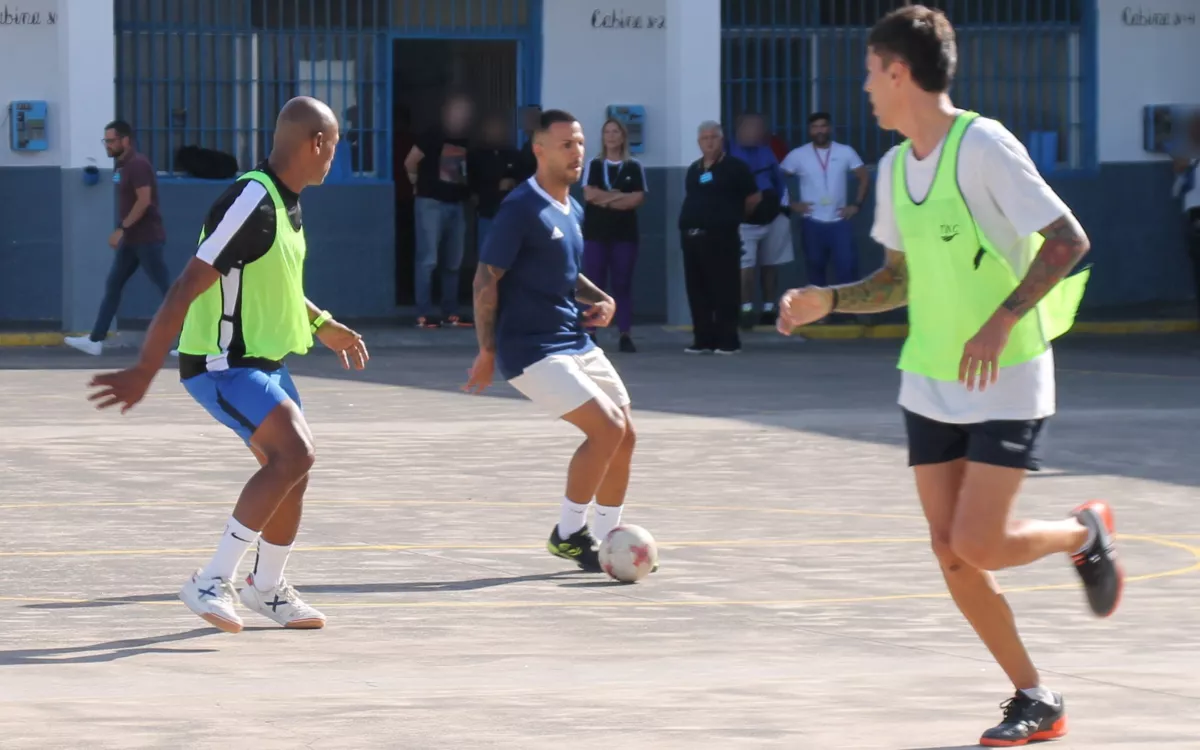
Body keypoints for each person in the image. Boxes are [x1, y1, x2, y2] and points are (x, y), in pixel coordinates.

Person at [777, 6, 1122, 746]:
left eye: (871, 73)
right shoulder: (896, 168)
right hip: (930, 376)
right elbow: (897, 279)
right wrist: (828, 301)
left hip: (1009, 371)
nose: (866, 87)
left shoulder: (983, 145)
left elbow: (1067, 241)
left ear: (899, 73)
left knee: (980, 543)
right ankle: (1036, 696)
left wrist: (1001, 319)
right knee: (950, 549)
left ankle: (1083, 532)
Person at [86, 96, 370, 634]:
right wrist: (145, 369)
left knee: (293, 471)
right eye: (334, 145)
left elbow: (277, 284)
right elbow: (185, 286)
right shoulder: (251, 200)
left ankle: (267, 588)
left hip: (262, 360)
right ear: (316, 142)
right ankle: (211, 580)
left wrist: (320, 323)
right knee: (294, 454)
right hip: (222, 364)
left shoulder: (285, 203)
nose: (335, 155)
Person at [463, 109, 638, 573]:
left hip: (574, 340)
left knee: (625, 435)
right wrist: (487, 351)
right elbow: (485, 280)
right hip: (531, 350)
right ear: (539, 150)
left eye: (580, 143)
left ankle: (610, 540)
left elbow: (564, 272)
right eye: (566, 145)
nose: (577, 152)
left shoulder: (572, 208)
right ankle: (569, 534)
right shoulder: (520, 208)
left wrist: (601, 298)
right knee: (606, 429)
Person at [65, 120, 171, 356]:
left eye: (111, 141)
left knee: (167, 289)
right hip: (132, 241)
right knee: (113, 286)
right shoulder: (122, 166)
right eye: (105, 141)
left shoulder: (138, 165)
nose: (107, 145)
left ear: (126, 140)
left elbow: (144, 201)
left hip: (147, 239)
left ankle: (194, 343)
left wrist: (121, 228)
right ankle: (95, 340)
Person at [679, 120, 760, 354]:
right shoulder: (695, 169)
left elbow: (753, 198)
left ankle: (727, 340)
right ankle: (703, 339)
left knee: (724, 289)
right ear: (699, 142)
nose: (709, 142)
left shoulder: (735, 167)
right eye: (705, 138)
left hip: (722, 237)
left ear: (721, 140)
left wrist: (731, 217)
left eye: (713, 137)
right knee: (697, 290)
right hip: (693, 238)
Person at [404, 93, 474, 328]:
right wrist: (415, 183)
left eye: (465, 112)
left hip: (457, 205)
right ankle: (423, 313)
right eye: (457, 111)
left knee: (453, 261)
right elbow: (410, 161)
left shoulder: (467, 139)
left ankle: (450, 312)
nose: (461, 116)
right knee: (428, 260)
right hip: (430, 203)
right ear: (447, 113)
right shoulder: (432, 134)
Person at [780, 112, 870, 289]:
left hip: (840, 221)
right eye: (815, 127)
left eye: (823, 126)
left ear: (830, 128)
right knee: (815, 272)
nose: (819, 131)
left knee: (847, 271)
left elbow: (864, 176)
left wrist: (856, 205)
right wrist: (791, 204)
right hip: (812, 222)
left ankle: (848, 305)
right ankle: (820, 307)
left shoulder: (845, 151)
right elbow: (777, 178)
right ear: (809, 130)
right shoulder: (798, 155)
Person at [581, 117, 648, 353]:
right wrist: (619, 197)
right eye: (607, 132)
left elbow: (637, 199)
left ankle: (624, 333)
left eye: (615, 132)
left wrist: (605, 199)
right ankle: (590, 332)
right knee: (593, 284)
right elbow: (589, 195)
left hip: (624, 234)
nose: (611, 136)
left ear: (623, 136)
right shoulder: (594, 164)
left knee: (622, 283)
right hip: (596, 233)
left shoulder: (634, 166)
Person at [728, 113, 794, 329]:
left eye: (759, 127)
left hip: (773, 215)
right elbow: (710, 178)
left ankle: (768, 308)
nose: (756, 131)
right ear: (739, 130)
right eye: (751, 127)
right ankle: (746, 309)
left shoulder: (768, 151)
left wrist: (784, 209)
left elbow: (779, 180)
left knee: (770, 264)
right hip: (743, 220)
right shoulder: (727, 151)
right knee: (745, 266)